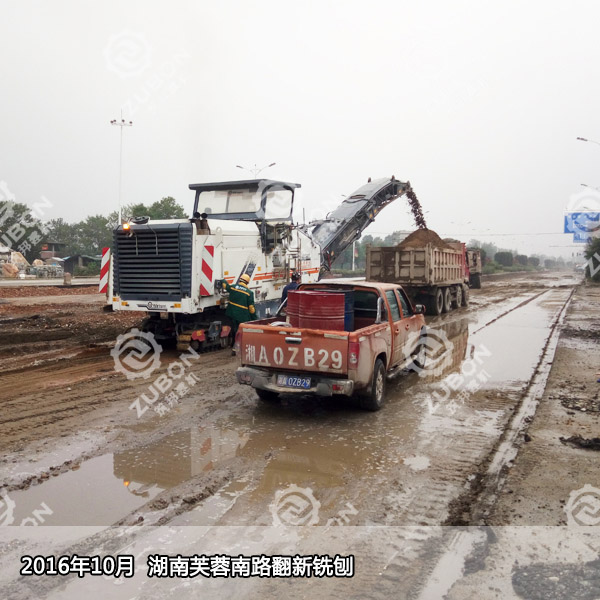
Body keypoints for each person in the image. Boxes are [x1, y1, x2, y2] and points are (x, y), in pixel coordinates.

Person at [222, 274, 257, 351]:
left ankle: (233, 345)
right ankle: (237, 347)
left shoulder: (233, 287)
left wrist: (223, 280)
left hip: (231, 313)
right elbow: (251, 308)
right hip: (242, 316)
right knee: (241, 331)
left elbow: (225, 286)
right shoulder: (249, 292)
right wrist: (255, 318)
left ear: (240, 280)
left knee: (234, 329)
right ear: (247, 282)